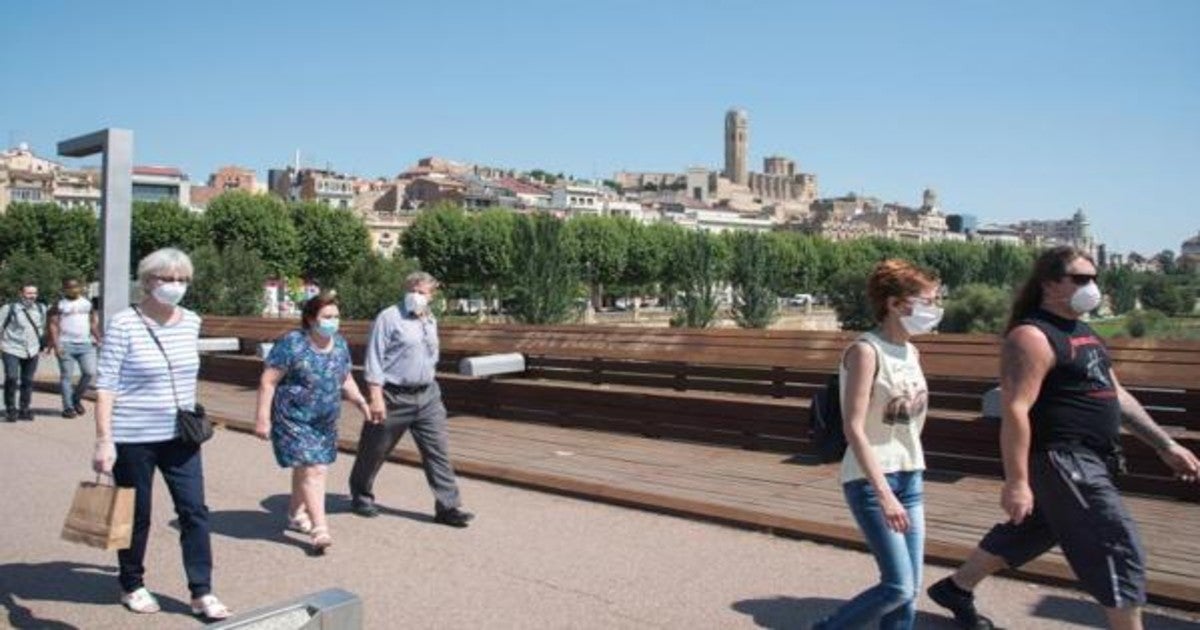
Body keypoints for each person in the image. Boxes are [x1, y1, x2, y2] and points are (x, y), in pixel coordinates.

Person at [926, 246, 1200, 630]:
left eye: (1095, 279)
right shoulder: (1032, 336)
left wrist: (1165, 444)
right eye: (1082, 279)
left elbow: (1116, 394)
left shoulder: (1084, 332)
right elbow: (1016, 409)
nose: (1092, 287)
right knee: (1116, 544)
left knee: (1038, 528)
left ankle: (957, 588)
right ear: (1050, 284)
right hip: (1063, 459)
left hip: (1093, 457)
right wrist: (1017, 482)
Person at [91, 248, 231, 620]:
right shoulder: (124, 324)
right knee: (136, 514)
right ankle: (132, 582)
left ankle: (201, 591)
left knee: (195, 510)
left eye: (182, 280)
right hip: (133, 434)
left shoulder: (192, 322)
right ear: (147, 281)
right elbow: (106, 385)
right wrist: (104, 438)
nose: (176, 286)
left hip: (181, 434)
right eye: (167, 279)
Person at [815, 259, 942, 630]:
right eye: (927, 301)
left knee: (910, 591)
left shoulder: (912, 352)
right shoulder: (866, 352)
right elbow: (854, 427)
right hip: (873, 481)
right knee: (898, 587)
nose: (934, 310)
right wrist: (884, 494)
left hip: (910, 475)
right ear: (895, 304)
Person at [348, 271, 474, 527]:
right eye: (413, 290)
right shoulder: (389, 317)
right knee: (374, 450)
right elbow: (374, 358)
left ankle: (448, 507)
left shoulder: (429, 318)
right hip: (393, 395)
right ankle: (361, 495)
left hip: (427, 395)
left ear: (432, 295)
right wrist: (375, 396)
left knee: (437, 451)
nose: (417, 296)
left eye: (422, 292)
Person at [254, 290, 370, 554]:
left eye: (336, 316)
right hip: (293, 417)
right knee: (314, 469)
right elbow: (268, 380)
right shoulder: (292, 343)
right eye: (327, 316)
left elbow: (345, 378)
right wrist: (262, 418)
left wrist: (361, 401)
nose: (333, 321)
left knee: (308, 468)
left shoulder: (339, 343)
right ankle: (320, 529)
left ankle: (296, 514)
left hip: (324, 419)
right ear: (310, 318)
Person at [47, 277, 101, 418]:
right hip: (65, 344)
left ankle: (76, 398)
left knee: (89, 372)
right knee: (66, 377)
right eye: (70, 287)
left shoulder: (87, 303)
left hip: (85, 344)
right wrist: (56, 345)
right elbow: (53, 325)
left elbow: (93, 323)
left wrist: (100, 338)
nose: (74, 289)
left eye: (76, 287)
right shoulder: (59, 304)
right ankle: (68, 408)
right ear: (64, 289)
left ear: (81, 287)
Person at [1, 283, 49, 422]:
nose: (32, 296)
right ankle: (10, 409)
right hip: (11, 348)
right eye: (29, 293)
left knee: (27, 380)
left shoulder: (41, 309)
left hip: (32, 350)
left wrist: (44, 345)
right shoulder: (9, 309)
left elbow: (43, 328)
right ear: (21, 294)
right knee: (11, 377)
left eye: (34, 293)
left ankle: (24, 409)